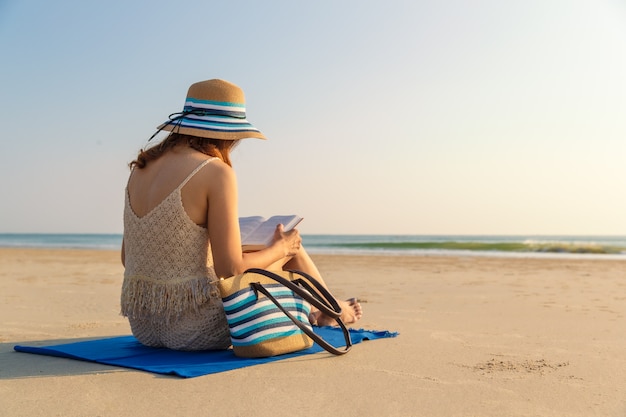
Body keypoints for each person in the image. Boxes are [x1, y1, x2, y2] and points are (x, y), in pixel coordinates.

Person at [120, 79, 362, 350]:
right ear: (229, 133)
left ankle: (323, 309)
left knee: (258, 248)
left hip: (144, 326)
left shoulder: (140, 169)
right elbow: (231, 269)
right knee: (291, 247)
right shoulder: (214, 171)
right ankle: (331, 309)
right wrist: (281, 249)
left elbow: (127, 257)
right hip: (195, 329)